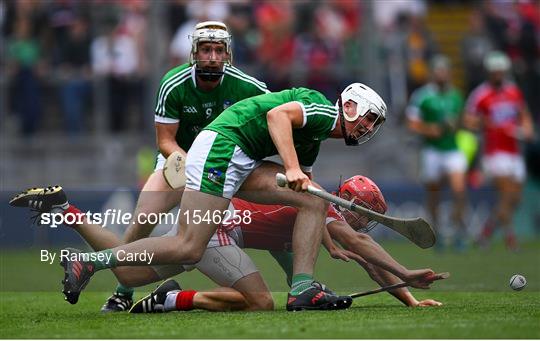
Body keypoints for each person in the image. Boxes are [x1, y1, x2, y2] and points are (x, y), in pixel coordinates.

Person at [16, 78, 387, 311]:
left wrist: (330, 242)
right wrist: (289, 167)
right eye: (368, 117)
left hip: (234, 157)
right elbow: (277, 118)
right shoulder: (323, 110)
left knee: (311, 197)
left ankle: (303, 288)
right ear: (349, 105)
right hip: (222, 149)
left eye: (374, 124)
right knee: (187, 245)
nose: (368, 127)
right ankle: (91, 263)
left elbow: (309, 195)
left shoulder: (314, 139)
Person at [10, 172, 440, 313]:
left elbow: (361, 265)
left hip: (209, 221)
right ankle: (171, 301)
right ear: (347, 200)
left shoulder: (310, 220)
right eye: (364, 212)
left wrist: (408, 300)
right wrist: (406, 274)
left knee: (126, 270)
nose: (363, 223)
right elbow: (367, 252)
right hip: (216, 230)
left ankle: (68, 212)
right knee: (260, 303)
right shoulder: (321, 207)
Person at [93, 21, 269, 312]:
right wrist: (190, 165)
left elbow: (274, 121)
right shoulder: (174, 83)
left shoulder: (248, 86)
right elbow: (165, 141)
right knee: (143, 217)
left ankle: (300, 285)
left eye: (218, 50)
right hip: (180, 159)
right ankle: (123, 290)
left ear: (228, 55)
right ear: (194, 52)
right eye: (206, 49)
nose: (212, 56)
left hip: (228, 166)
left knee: (278, 209)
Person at [464, 51, 535, 251]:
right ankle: (511, 238)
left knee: (515, 199)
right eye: (495, 72)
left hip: (514, 151)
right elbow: (468, 119)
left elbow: (523, 114)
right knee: (506, 195)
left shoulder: (513, 91)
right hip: (494, 152)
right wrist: (485, 122)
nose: (498, 75)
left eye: (500, 71)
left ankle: (485, 233)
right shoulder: (481, 94)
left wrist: (527, 129)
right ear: (489, 73)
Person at [406, 55, 468, 251]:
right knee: (434, 193)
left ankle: (458, 231)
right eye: (438, 70)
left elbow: (462, 120)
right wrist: (430, 129)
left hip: (452, 149)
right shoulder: (422, 96)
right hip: (432, 150)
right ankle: (438, 232)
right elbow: (412, 124)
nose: (442, 74)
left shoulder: (456, 95)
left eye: (445, 70)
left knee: (459, 190)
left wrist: (456, 125)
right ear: (433, 73)